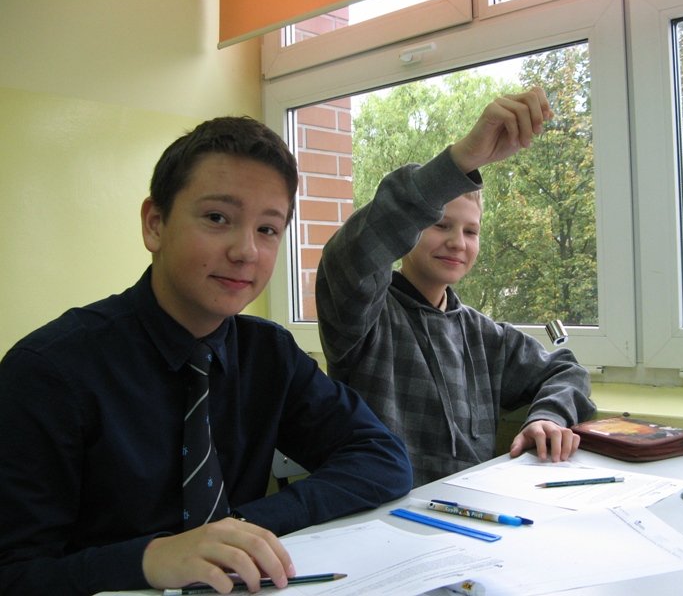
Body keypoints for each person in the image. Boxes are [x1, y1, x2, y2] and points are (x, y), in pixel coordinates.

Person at [0, 117, 413, 595]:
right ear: (155, 224)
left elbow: (382, 457)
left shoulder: (269, 354)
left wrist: (241, 528)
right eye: (217, 218)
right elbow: (13, 572)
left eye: (268, 229)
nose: (246, 251)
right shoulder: (48, 371)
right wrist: (149, 558)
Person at [316, 87, 596, 487]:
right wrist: (462, 159)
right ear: (409, 227)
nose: (457, 242)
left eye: (471, 231)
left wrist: (547, 417)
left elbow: (567, 371)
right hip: (379, 510)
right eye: (440, 225)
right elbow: (353, 253)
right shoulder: (364, 320)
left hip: (471, 511)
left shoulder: (484, 336)